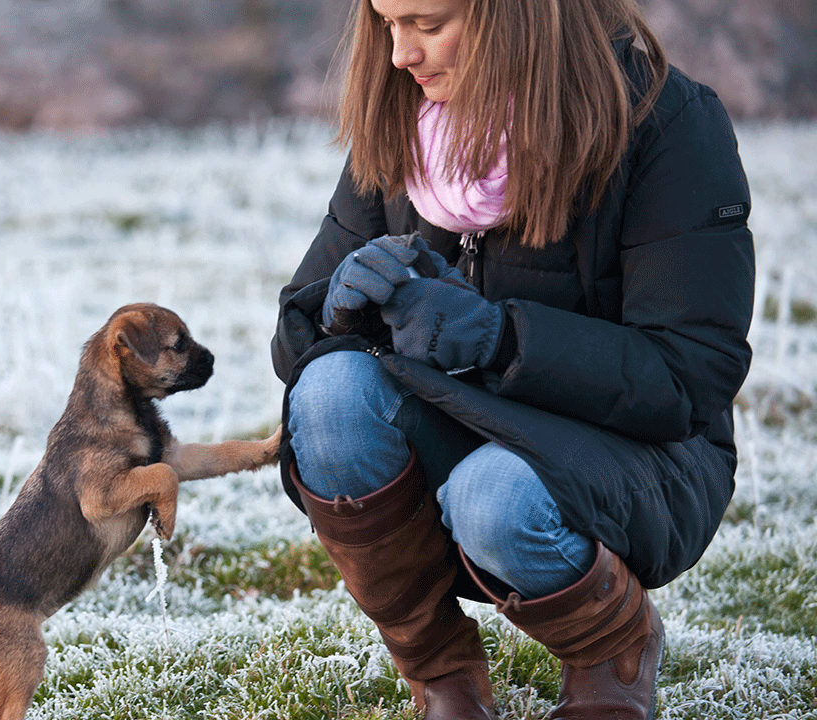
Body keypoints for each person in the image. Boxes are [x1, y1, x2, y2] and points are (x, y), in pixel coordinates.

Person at [269, 0, 754, 718]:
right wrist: (333, 309)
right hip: (462, 426)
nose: (401, 54)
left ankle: (612, 650)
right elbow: (293, 350)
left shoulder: (669, 124)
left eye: (427, 24)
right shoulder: (406, 119)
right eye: (386, 23)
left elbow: (690, 374)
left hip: (639, 451)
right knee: (329, 394)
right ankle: (442, 675)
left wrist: (501, 338)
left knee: (493, 498)